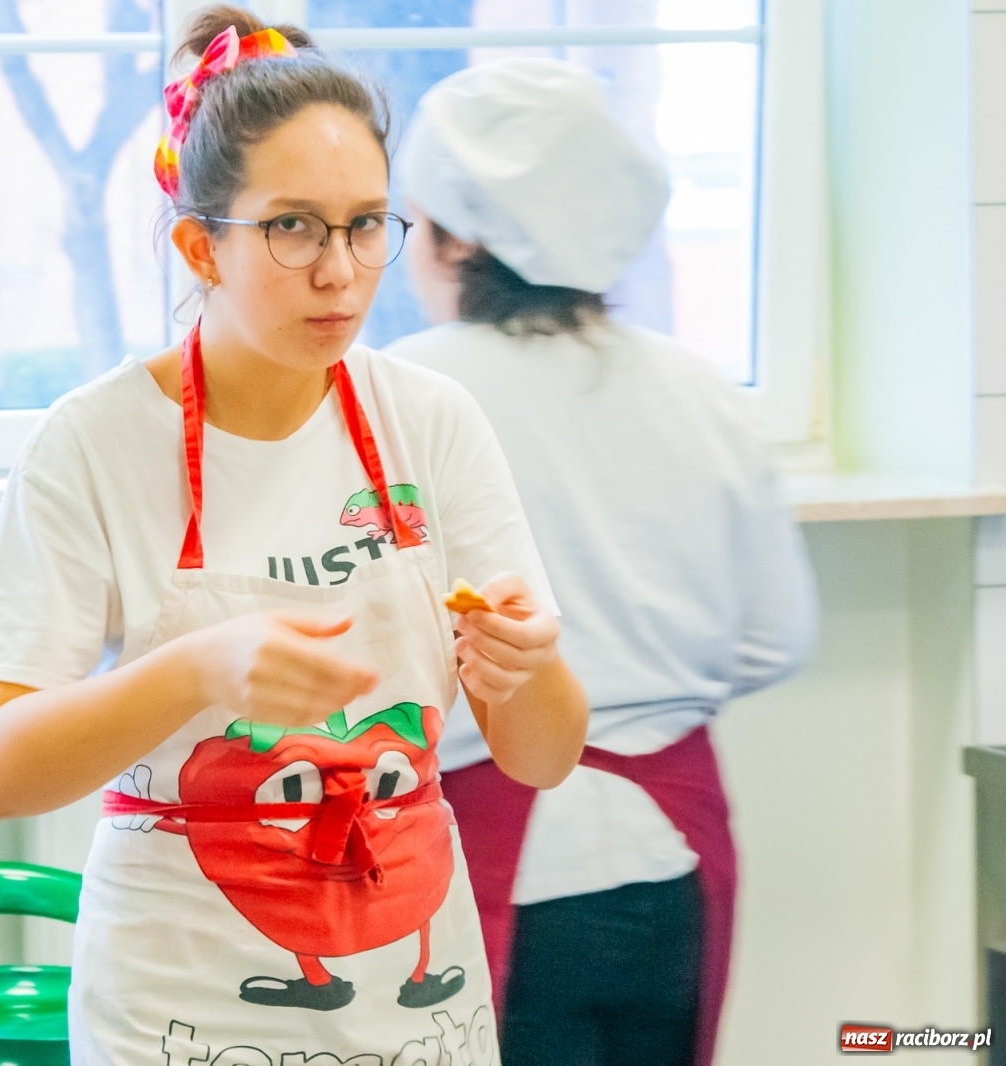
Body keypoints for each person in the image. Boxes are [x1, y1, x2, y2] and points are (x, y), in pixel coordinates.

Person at [0, 8, 589, 1062]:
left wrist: (529, 666)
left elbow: (544, 755)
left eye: (365, 224)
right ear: (200, 243)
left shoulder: (429, 422)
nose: (340, 272)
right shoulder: (92, 444)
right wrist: (199, 667)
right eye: (292, 226)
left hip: (416, 1010)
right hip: (178, 1010)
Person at [390, 59, 818, 1066]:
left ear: (458, 234)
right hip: (672, 857)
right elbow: (777, 636)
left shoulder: (406, 395)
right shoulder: (699, 390)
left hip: (488, 855)